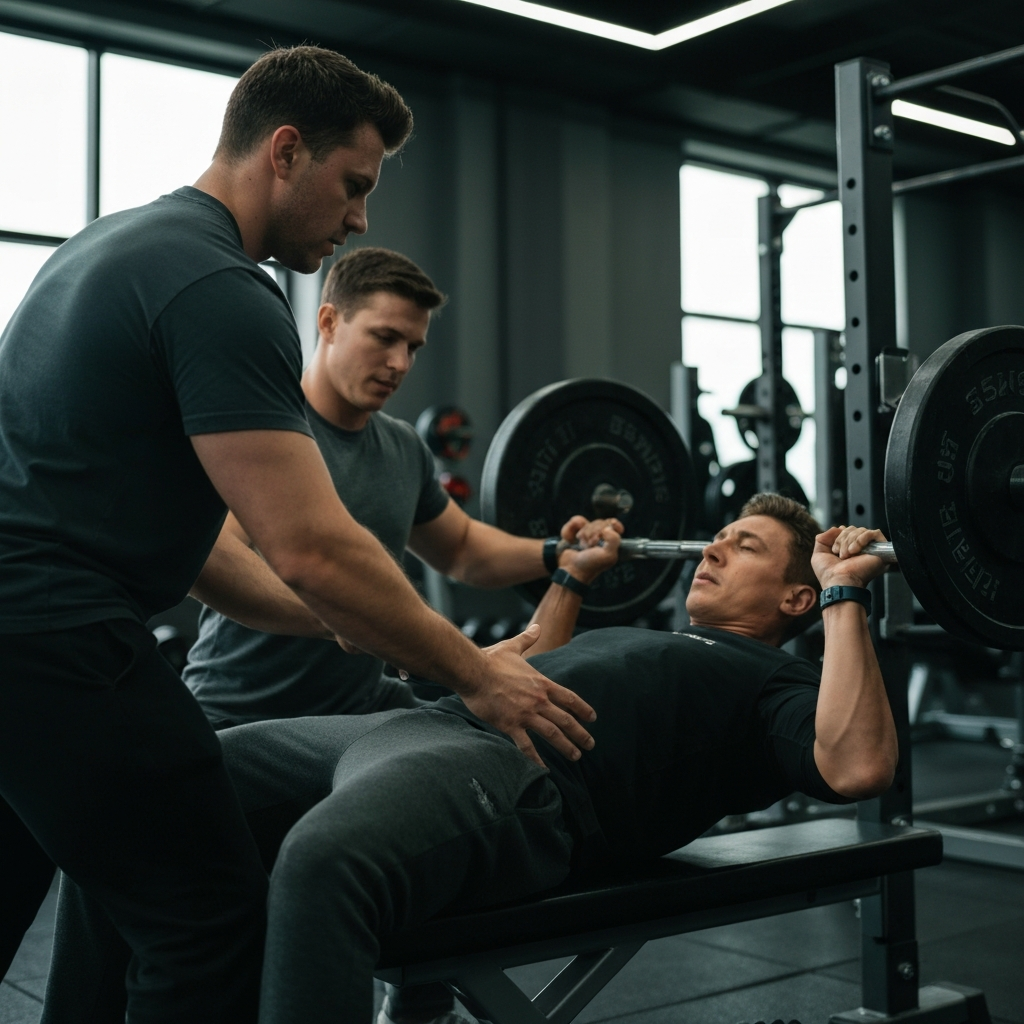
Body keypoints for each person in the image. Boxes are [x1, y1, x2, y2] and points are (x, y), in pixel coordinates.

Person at [0, 46, 596, 1023]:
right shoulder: (220, 287)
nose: (361, 216)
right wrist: (480, 673)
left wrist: (347, 624)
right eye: (353, 184)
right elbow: (311, 546)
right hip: (56, 636)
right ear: (285, 151)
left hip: (25, 638)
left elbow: (204, 555)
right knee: (208, 918)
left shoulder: (109, 246)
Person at [215, 495, 900, 1024]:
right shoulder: (654, 637)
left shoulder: (772, 681)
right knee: (197, 776)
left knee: (323, 863)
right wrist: (571, 578)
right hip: (419, 724)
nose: (712, 553)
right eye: (716, 541)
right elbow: (525, 680)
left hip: (512, 779)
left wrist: (845, 591)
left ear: (795, 596)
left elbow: (857, 768)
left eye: (742, 547)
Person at [184, 245, 611, 728]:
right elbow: (216, 552)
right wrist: (344, 614)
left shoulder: (403, 447)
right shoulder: (270, 431)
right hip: (242, 714)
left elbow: (464, 550)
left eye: (412, 346)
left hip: (362, 712)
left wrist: (558, 552)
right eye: (384, 338)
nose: (400, 363)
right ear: (328, 322)